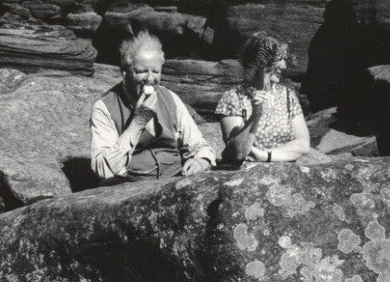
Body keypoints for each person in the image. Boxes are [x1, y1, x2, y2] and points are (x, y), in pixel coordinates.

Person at [90, 31, 216, 183]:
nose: (150, 79)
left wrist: (201, 161)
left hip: (175, 180)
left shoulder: (170, 98)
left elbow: (200, 146)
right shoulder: (104, 107)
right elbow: (104, 169)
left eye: (155, 71)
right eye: (142, 71)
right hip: (130, 187)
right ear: (125, 73)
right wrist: (139, 121)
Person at [215, 31, 311, 164]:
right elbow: (237, 152)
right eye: (279, 59)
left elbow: (303, 144)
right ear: (260, 62)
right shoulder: (234, 97)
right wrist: (256, 115)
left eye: (285, 59)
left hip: (284, 175)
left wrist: (265, 156)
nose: (284, 66)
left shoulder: (287, 95)